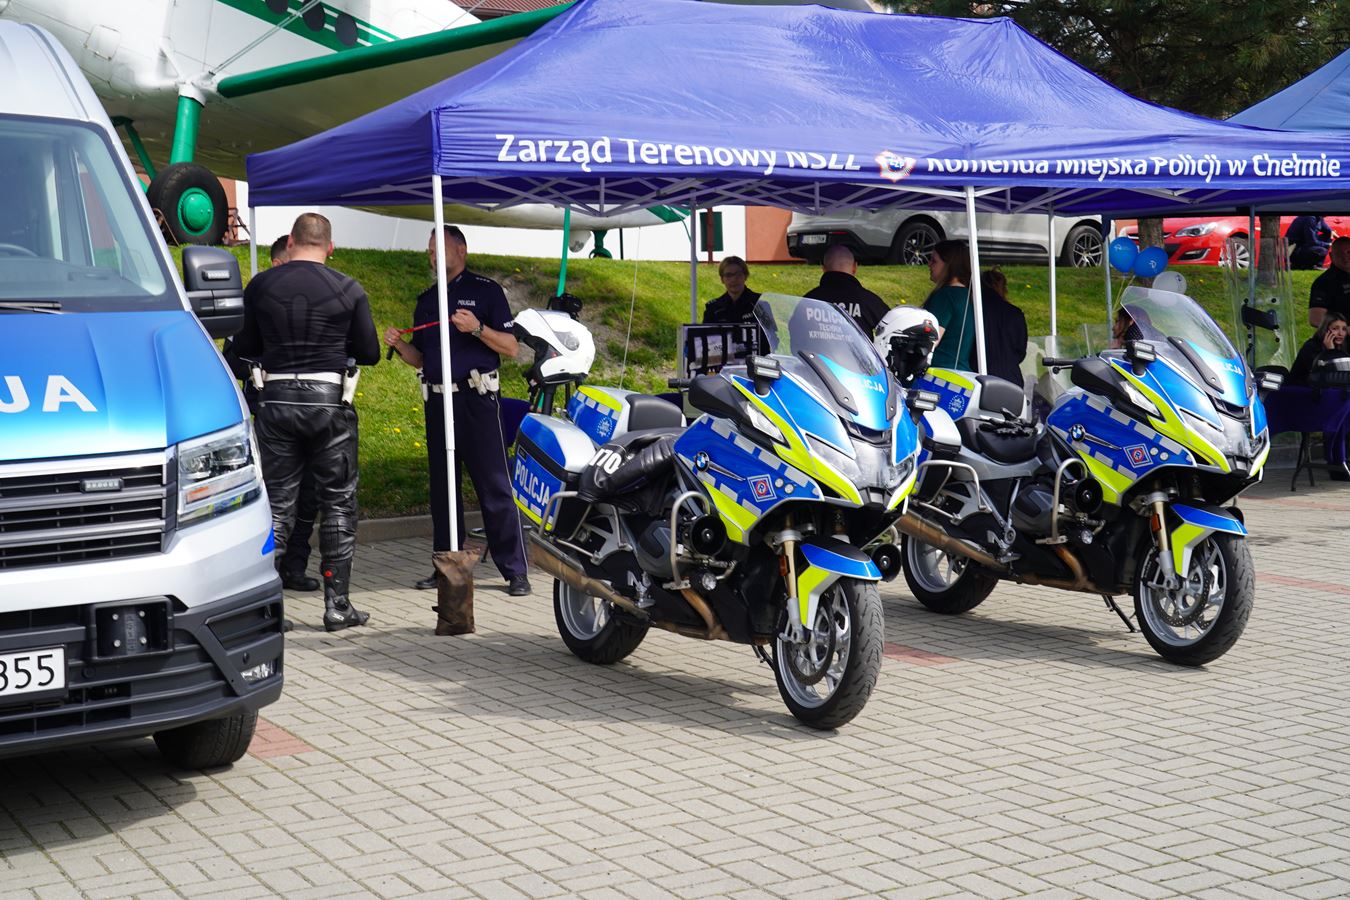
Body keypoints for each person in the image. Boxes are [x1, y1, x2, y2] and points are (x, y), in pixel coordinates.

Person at [232, 213, 381, 632]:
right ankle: (338, 606)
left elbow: (245, 346)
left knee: (276, 504)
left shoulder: (261, 285)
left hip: (276, 400)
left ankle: (267, 609)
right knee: (338, 502)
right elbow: (369, 352)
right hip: (329, 403)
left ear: (291, 241)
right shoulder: (349, 288)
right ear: (330, 246)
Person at [384, 225, 531, 598]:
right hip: (438, 400)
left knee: (493, 486)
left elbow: (511, 347)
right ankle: (446, 567)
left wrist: (477, 328)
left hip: (476, 399)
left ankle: (514, 570)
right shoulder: (427, 299)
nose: (432, 257)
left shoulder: (486, 291)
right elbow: (421, 357)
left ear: (461, 250)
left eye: (439, 249)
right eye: (430, 251)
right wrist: (400, 346)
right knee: (443, 489)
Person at [224, 236, 323, 594]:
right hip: (267, 412)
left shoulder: (311, 303)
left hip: (311, 411)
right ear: (278, 264)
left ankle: (295, 566)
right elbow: (232, 359)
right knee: (276, 497)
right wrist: (264, 366)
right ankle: (270, 571)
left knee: (309, 495)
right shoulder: (255, 303)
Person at [803, 244, 890, 336]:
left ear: (823, 268)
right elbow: (893, 327)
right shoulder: (869, 301)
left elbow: (796, 334)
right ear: (854, 267)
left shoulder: (808, 301)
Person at [923, 240, 974, 371]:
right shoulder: (969, 295)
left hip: (939, 371)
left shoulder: (945, 296)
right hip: (962, 371)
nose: (929, 264)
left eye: (934, 261)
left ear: (949, 265)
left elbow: (930, 341)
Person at [979, 269, 1028, 387]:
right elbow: (1020, 350)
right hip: (1011, 377)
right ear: (1000, 286)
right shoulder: (1015, 313)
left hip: (979, 375)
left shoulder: (974, 310)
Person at [1289, 312, 1348, 385]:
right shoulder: (1311, 347)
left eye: (1344, 329)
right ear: (1325, 330)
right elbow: (1323, 374)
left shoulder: (1342, 347)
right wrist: (1330, 352)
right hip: (1300, 389)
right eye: (1335, 329)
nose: (1341, 333)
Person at [702, 256, 761, 324]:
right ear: (722, 279)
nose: (733, 279)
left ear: (746, 276)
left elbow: (770, 330)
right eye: (728, 275)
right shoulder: (713, 308)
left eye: (738, 274)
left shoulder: (760, 304)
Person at [1308, 237, 1350, 327]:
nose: (1345, 257)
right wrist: (1344, 329)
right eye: (1339, 254)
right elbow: (1316, 319)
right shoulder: (1324, 282)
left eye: (1349, 252)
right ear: (1331, 256)